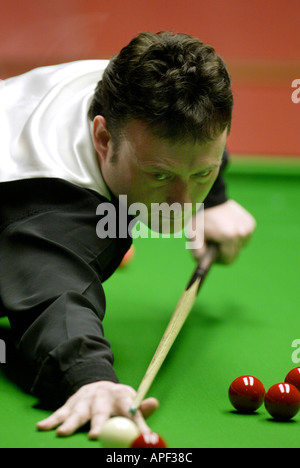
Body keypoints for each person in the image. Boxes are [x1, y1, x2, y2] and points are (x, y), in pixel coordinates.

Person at [0, 31, 256, 439]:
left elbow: (191, 140)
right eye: (160, 176)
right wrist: (90, 378)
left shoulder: (135, 93)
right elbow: (55, 295)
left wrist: (216, 198)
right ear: (103, 139)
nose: (181, 202)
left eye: (200, 174)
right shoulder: (56, 209)